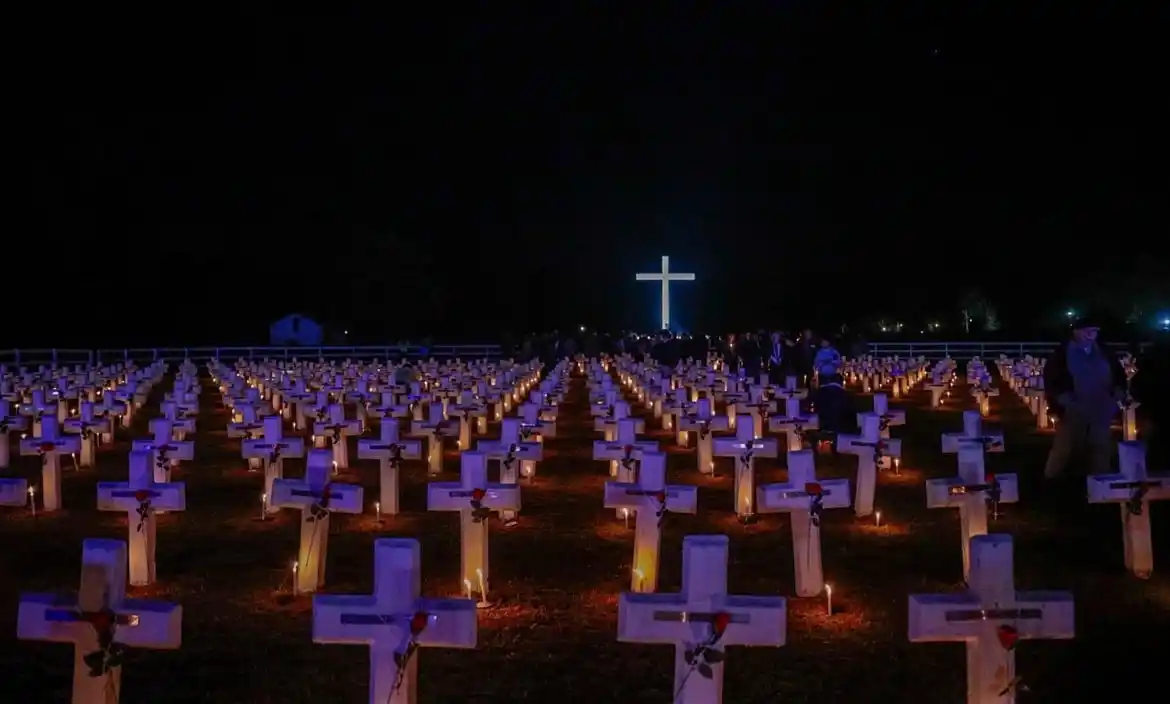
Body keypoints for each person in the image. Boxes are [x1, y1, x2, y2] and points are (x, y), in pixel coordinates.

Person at [1043, 317, 1127, 478]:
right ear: (1076, 332)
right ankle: (1052, 477)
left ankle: (1100, 480)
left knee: (1101, 446)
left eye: (1094, 331)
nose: (1091, 334)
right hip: (1074, 407)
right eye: (1087, 331)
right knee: (1064, 446)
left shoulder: (1104, 352)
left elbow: (1118, 374)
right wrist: (1062, 400)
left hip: (1101, 406)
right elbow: (1053, 379)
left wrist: (1118, 391)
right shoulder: (1062, 354)